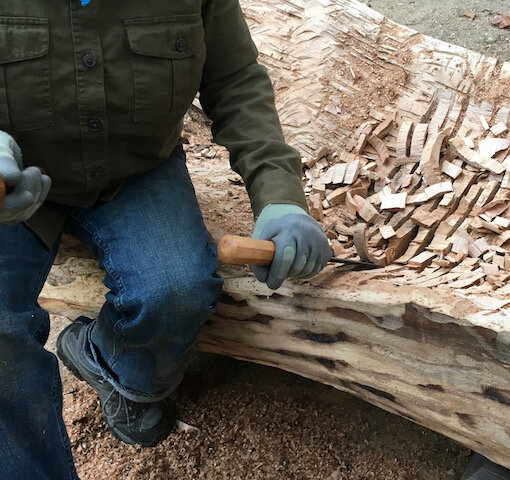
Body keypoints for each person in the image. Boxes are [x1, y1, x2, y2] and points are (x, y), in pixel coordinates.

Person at [0, 0, 331, 478]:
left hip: (136, 170)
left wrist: (279, 196)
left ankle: (115, 370)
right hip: (12, 181)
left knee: (176, 290)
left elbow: (234, 79)